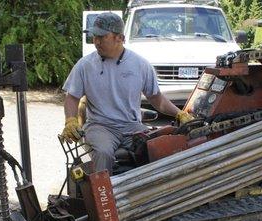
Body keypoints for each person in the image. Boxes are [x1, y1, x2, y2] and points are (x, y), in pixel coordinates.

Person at [60, 12, 194, 174]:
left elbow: (156, 98)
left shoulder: (140, 65)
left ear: (119, 38)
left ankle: (143, 195)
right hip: (100, 127)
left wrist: (179, 114)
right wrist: (70, 120)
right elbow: (72, 98)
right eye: (94, 37)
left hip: (132, 126)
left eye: (101, 37)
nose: (96, 41)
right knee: (103, 153)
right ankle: (103, 197)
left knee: (158, 149)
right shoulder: (85, 65)